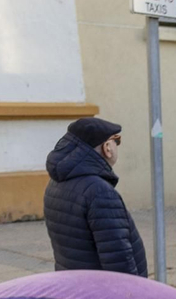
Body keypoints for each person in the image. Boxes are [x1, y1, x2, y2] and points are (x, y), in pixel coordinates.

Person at [43, 117, 146, 277]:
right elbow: (118, 259)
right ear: (107, 147)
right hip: (101, 294)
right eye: (116, 140)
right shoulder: (100, 192)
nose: (117, 145)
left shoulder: (56, 183)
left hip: (73, 286)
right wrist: (132, 297)